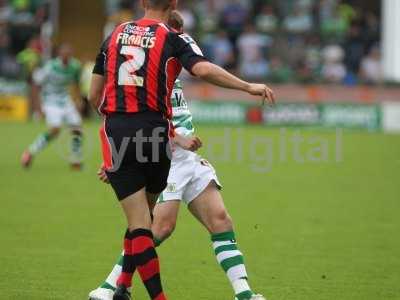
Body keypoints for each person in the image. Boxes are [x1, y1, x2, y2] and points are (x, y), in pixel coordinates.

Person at [88, 1, 275, 300]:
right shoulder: (164, 57)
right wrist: (173, 140)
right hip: (166, 153)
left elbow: (109, 104)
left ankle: (245, 294)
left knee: (220, 219)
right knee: (157, 226)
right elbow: (148, 117)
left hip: (184, 157)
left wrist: (118, 150)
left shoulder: (157, 65)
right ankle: (111, 286)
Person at [21, 44, 84, 170]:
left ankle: (75, 159)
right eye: (63, 53)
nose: (66, 56)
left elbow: (76, 84)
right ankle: (30, 152)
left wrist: (78, 101)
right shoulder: (51, 67)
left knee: (77, 128)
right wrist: (38, 107)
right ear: (59, 54)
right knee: (55, 130)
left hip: (65, 100)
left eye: (68, 53)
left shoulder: (75, 66)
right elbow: (36, 84)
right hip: (50, 100)